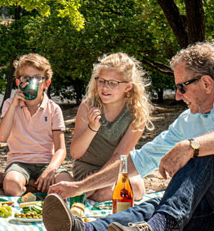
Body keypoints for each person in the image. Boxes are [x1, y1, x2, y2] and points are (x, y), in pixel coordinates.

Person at [43, 42, 214, 231]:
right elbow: (139, 160)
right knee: (157, 205)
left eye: (182, 87)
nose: (178, 95)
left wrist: (191, 146)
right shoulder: (189, 119)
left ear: (207, 83)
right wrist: (80, 187)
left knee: (207, 155)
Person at [51, 53, 152, 201]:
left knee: (134, 189)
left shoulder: (137, 113)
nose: (105, 87)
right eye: (102, 81)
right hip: (87, 167)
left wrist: (98, 182)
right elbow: (76, 153)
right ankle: (69, 179)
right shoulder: (88, 106)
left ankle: (79, 187)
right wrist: (92, 128)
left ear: (128, 87)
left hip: (115, 169)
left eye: (113, 83)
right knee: (106, 193)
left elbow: (120, 155)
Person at [0, 54, 67, 196]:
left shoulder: (53, 109)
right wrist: (14, 105)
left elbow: (61, 149)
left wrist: (51, 169)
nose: (31, 83)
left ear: (46, 84)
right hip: (19, 162)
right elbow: (2, 137)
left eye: (37, 78)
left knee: (67, 183)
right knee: (12, 185)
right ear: (18, 82)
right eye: (26, 78)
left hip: (46, 162)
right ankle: (33, 187)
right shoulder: (10, 105)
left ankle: (33, 185)